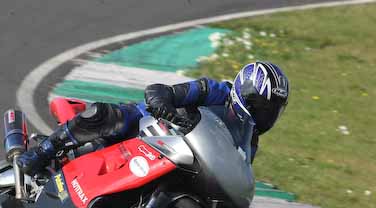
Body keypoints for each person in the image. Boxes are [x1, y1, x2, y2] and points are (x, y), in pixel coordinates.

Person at [17, 61, 289, 174]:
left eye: (271, 111)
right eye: (260, 105)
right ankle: (42, 152)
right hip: (149, 127)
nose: (263, 114)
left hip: (183, 160)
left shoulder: (250, 139)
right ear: (242, 91)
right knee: (107, 115)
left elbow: (236, 171)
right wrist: (163, 105)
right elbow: (160, 91)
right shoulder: (216, 91)